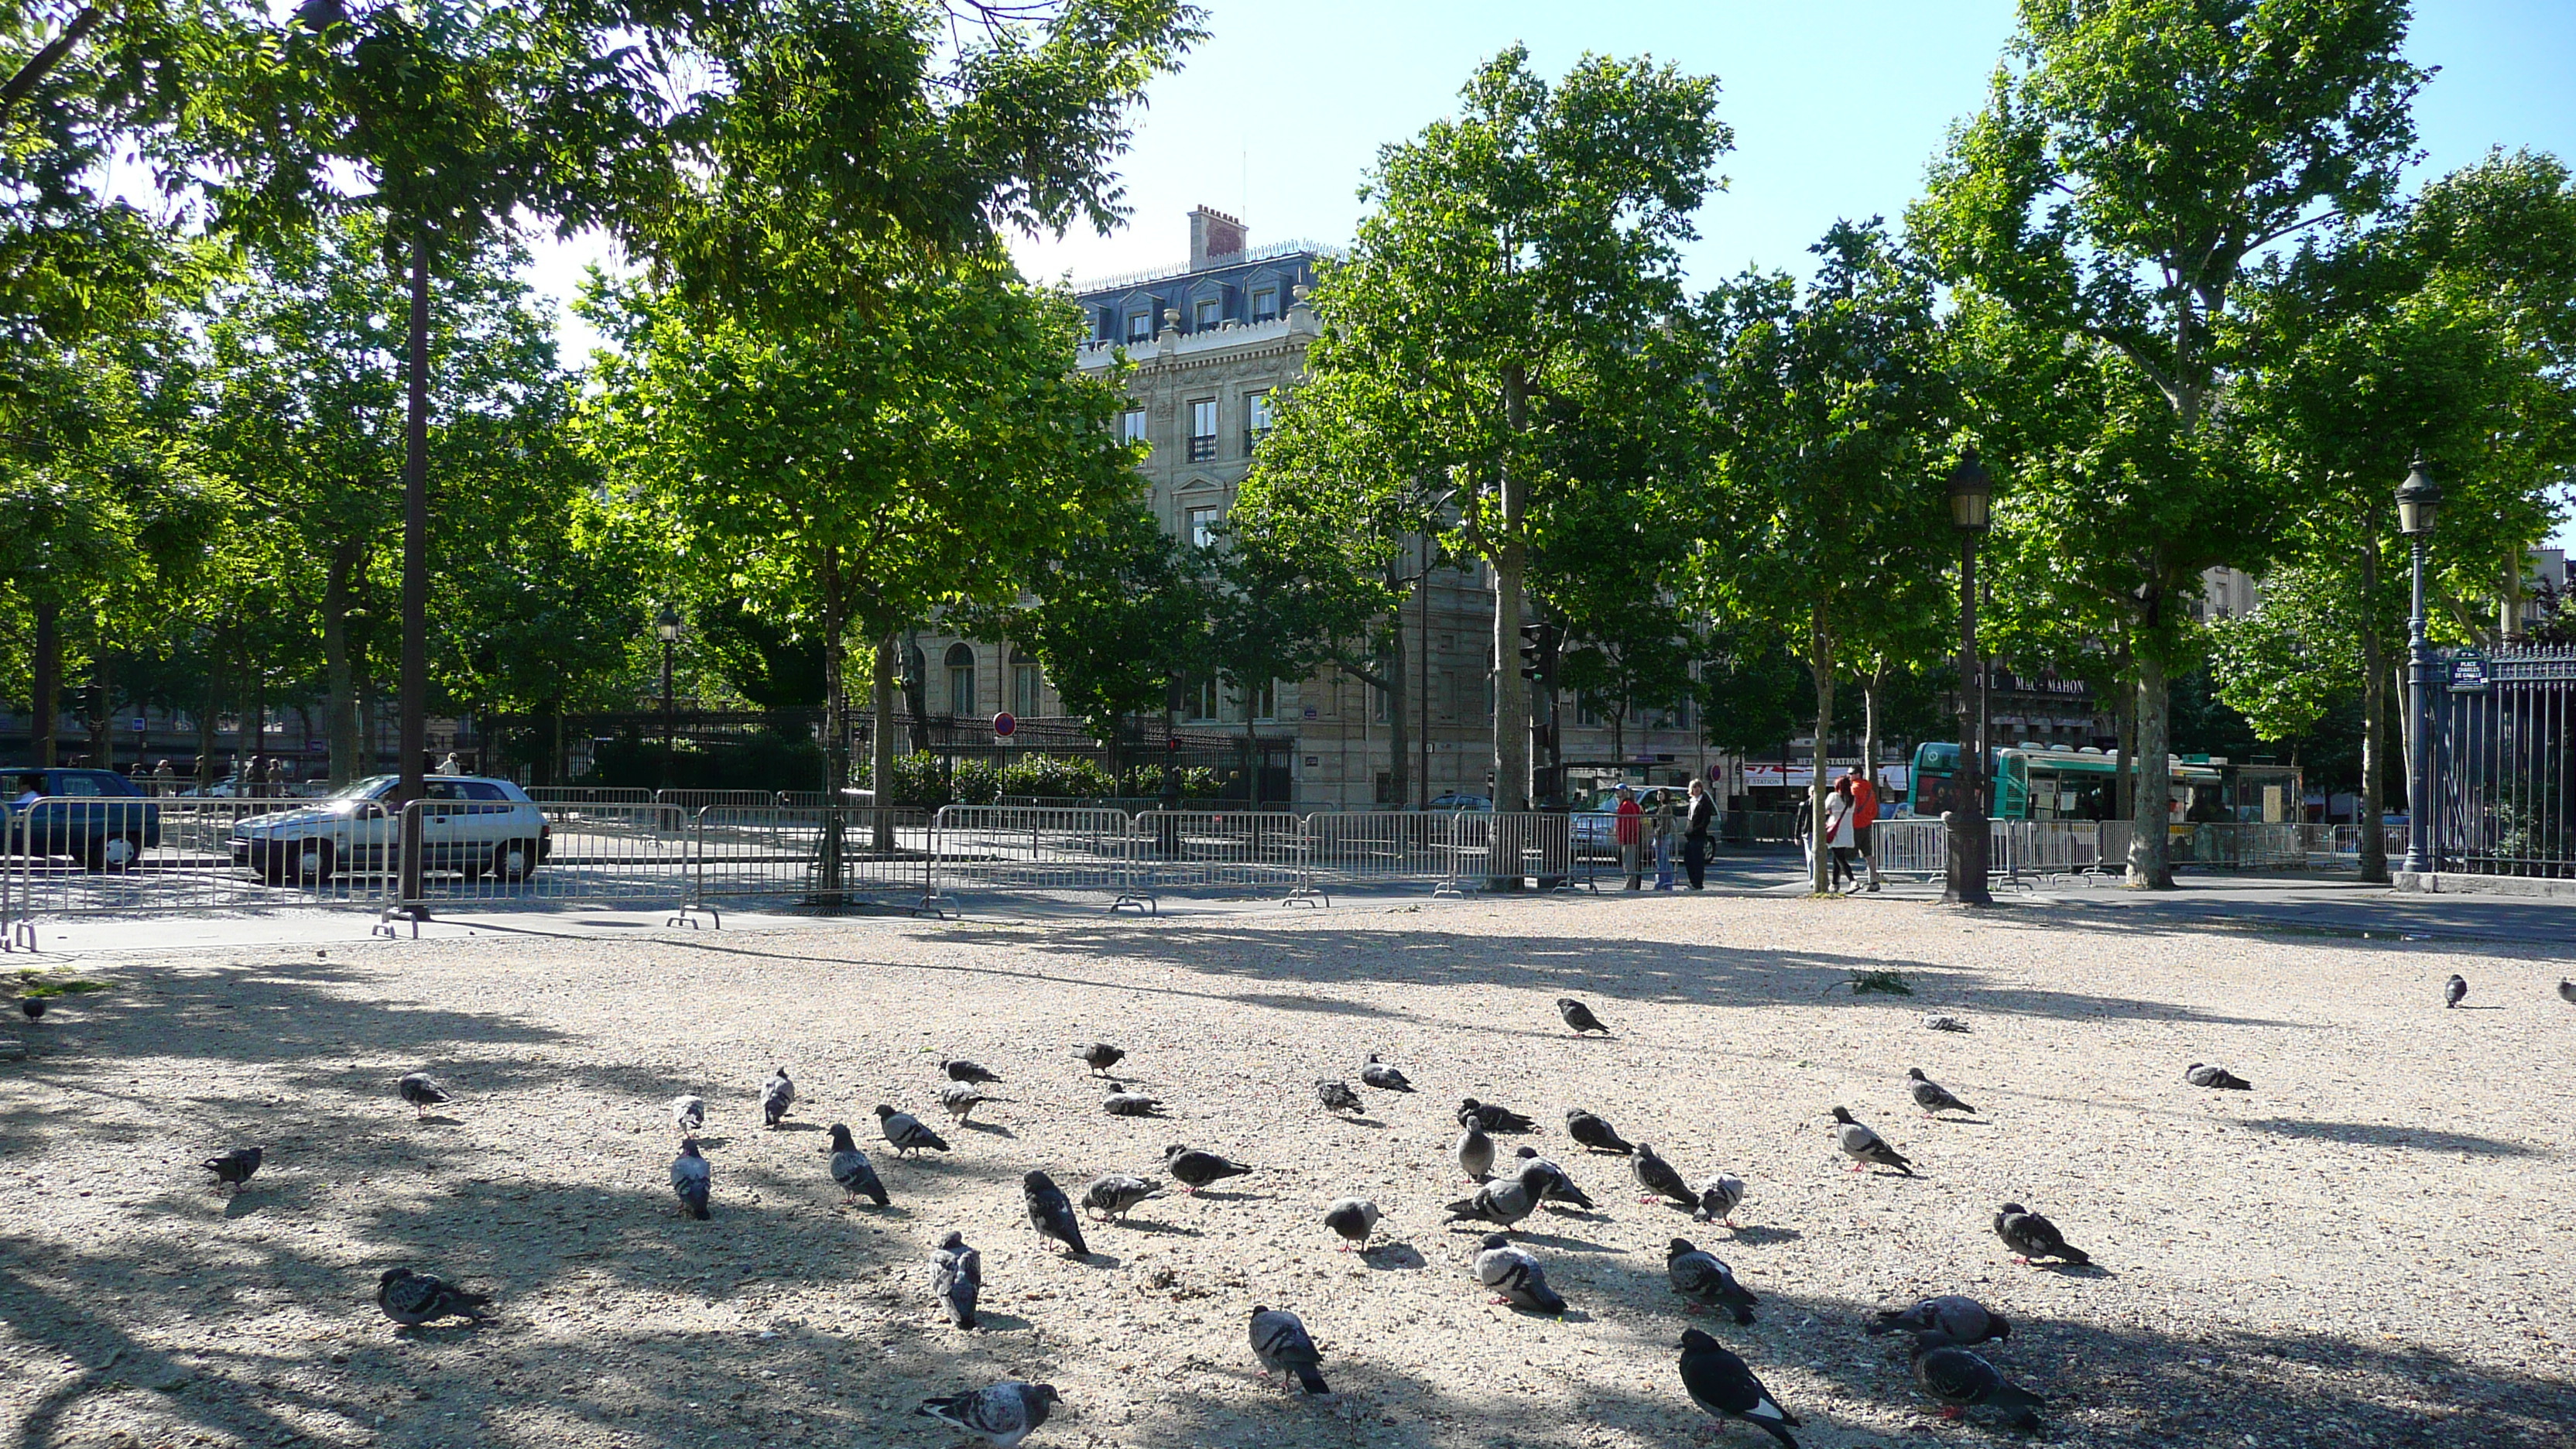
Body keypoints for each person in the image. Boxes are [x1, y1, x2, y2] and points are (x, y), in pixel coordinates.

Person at [1848, 769, 1884, 892]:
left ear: (1857, 774)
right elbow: (1874, 809)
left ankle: (1849, 882)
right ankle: (1874, 881)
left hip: (1854, 824)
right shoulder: (1870, 790)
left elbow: (1850, 806)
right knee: (1868, 854)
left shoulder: (1854, 789)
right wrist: (1868, 818)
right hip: (1866, 824)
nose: (1849, 775)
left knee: (1843, 856)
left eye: (1851, 773)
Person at [1823, 776, 1858, 892]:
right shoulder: (1852, 799)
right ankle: (1835, 883)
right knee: (1837, 858)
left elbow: (1823, 809)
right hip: (1847, 830)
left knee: (1840, 858)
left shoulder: (1833, 796)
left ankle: (1852, 881)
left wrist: (1830, 812)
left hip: (1836, 831)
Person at [1682, 778, 1715, 889]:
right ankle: (1692, 881)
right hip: (1690, 835)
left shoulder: (1704, 802)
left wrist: (1696, 829)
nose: (1696, 789)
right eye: (1694, 787)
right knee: (1688, 859)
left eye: (1698, 787)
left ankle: (1698, 883)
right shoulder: (1691, 801)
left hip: (1699, 834)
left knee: (1697, 860)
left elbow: (1705, 820)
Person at [1613, 784, 1646, 890]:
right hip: (1627, 839)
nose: (1617, 793)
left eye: (1619, 791)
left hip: (1628, 839)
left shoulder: (1626, 805)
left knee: (1629, 864)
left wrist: (1625, 838)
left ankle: (1630, 885)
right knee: (1628, 863)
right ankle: (1630, 884)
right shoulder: (1625, 805)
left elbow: (1629, 824)